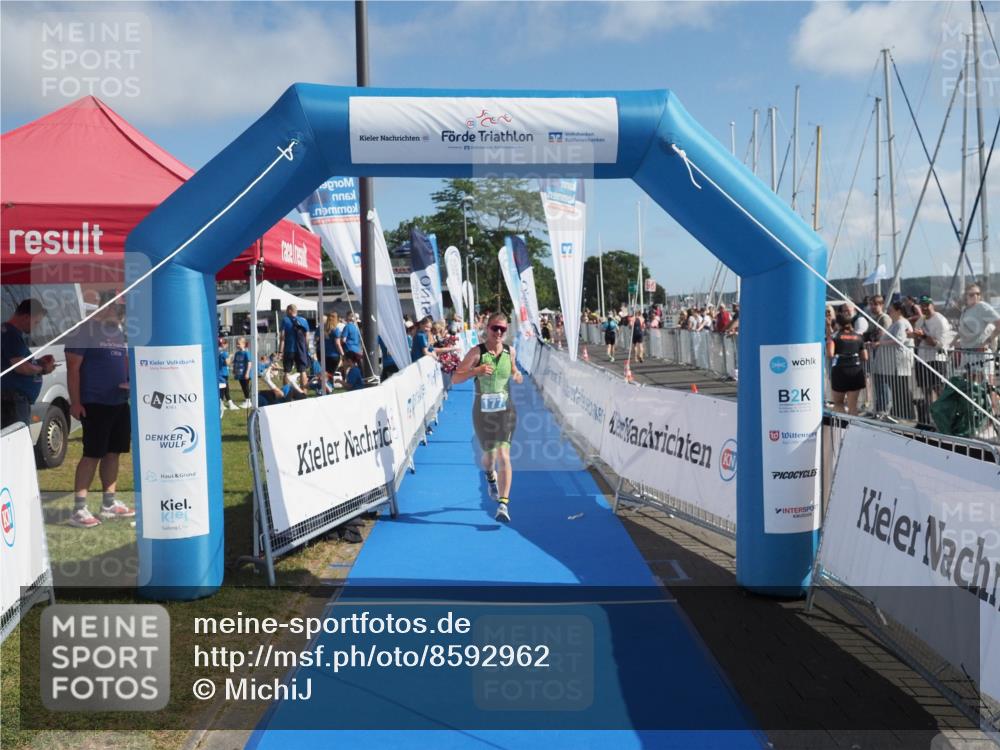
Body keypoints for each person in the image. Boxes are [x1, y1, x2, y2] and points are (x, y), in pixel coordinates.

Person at [65, 299, 134, 527]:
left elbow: (123, 362)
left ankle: (109, 503)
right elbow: (73, 367)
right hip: (94, 402)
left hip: (119, 400)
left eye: (124, 313)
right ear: (105, 308)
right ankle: (79, 508)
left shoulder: (118, 333)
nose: (121, 317)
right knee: (92, 453)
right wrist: (75, 402)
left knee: (114, 452)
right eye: (119, 310)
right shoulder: (84, 330)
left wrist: (129, 381)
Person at [452, 312, 523, 522]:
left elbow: (514, 370)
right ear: (487, 328)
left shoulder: (511, 351)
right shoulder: (477, 352)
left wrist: (517, 375)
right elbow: (455, 378)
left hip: (505, 410)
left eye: (503, 329)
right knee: (490, 457)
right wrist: (477, 370)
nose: (499, 332)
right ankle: (490, 476)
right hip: (482, 411)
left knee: (504, 455)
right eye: (495, 328)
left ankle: (503, 505)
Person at [0, 299, 55, 429]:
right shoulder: (11, 334)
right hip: (12, 400)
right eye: (36, 322)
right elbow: (20, 367)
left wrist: (37, 362)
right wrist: (42, 368)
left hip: (13, 399)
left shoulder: (9, 332)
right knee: (17, 440)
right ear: (26, 317)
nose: (37, 326)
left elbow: (18, 362)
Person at [910, 295, 953, 426]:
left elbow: (939, 344)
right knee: (925, 391)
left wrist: (922, 335)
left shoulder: (940, 320)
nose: (924, 308)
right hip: (922, 359)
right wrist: (912, 335)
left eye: (927, 305)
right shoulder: (920, 320)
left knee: (939, 391)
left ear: (932, 305)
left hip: (937, 360)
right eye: (922, 305)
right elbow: (917, 338)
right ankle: (928, 420)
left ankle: (945, 420)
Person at [876, 301, 915, 419]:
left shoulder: (901, 323)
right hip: (894, 362)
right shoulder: (896, 323)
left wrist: (880, 343)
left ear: (898, 310)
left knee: (900, 388)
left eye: (891, 309)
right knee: (897, 388)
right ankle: (898, 412)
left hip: (900, 362)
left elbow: (899, 340)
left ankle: (904, 413)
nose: (889, 311)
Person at [956, 283, 999, 381]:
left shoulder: (982, 307)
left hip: (981, 355)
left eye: (978, 294)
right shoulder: (965, 310)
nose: (975, 296)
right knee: (970, 389)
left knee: (987, 388)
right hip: (967, 355)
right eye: (972, 294)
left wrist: (987, 341)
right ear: (965, 296)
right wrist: (953, 342)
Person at [828, 311, 868, 415]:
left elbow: (830, 354)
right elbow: (865, 356)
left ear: (837, 323)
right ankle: (853, 428)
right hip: (856, 370)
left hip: (840, 370)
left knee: (838, 403)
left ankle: (842, 428)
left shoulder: (835, 336)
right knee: (853, 405)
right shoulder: (858, 337)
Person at [278, 304, 311, 392]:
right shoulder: (304, 321)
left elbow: (282, 338)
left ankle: (286, 392)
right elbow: (307, 337)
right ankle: (304, 392)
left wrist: (280, 352)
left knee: (287, 371)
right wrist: (306, 349)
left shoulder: (285, 320)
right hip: (301, 350)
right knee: (303, 371)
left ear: (289, 310)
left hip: (289, 350)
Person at [218, 338, 238, 415]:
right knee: (225, 389)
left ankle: (225, 404)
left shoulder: (217, 352)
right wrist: (230, 356)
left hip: (219, 373)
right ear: (225, 345)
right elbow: (227, 363)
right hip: (223, 374)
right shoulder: (224, 353)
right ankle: (228, 404)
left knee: (224, 389)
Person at [232, 337, 252, 408]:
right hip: (239, 374)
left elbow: (249, 363)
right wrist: (234, 369)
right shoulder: (237, 353)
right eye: (236, 344)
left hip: (245, 374)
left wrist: (247, 373)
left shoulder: (246, 353)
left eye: (239, 344)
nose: (237, 345)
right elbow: (235, 362)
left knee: (246, 386)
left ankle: (248, 401)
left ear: (244, 344)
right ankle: (247, 399)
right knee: (243, 386)